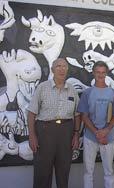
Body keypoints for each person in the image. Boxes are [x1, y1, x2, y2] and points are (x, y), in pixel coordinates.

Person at [27, 58, 80, 188]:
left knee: (64, 170)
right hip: (45, 132)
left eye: (64, 66)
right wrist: (32, 135)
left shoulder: (72, 90)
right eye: (58, 66)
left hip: (66, 133)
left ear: (67, 69)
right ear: (52, 70)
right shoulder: (42, 88)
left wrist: (76, 134)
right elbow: (31, 113)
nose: (62, 69)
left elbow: (77, 114)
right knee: (42, 171)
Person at [77, 61, 114, 188]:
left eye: (103, 72)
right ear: (93, 73)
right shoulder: (87, 93)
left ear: (106, 73)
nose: (100, 75)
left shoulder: (113, 93)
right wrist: (97, 132)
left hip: (108, 137)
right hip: (90, 137)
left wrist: (105, 131)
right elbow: (84, 116)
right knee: (88, 171)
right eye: (98, 72)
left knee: (109, 171)